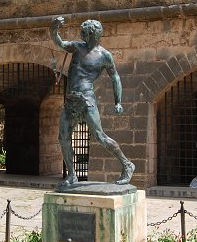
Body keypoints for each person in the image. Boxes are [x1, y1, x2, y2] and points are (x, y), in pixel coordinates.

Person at [50, 16, 135, 187]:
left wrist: (118, 102)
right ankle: (72, 175)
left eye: (84, 32)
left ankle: (127, 164)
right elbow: (60, 43)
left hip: (87, 98)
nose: (81, 35)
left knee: (100, 136)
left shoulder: (104, 56)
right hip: (71, 99)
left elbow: (115, 77)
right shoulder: (77, 47)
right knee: (63, 137)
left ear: (92, 34)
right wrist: (54, 29)